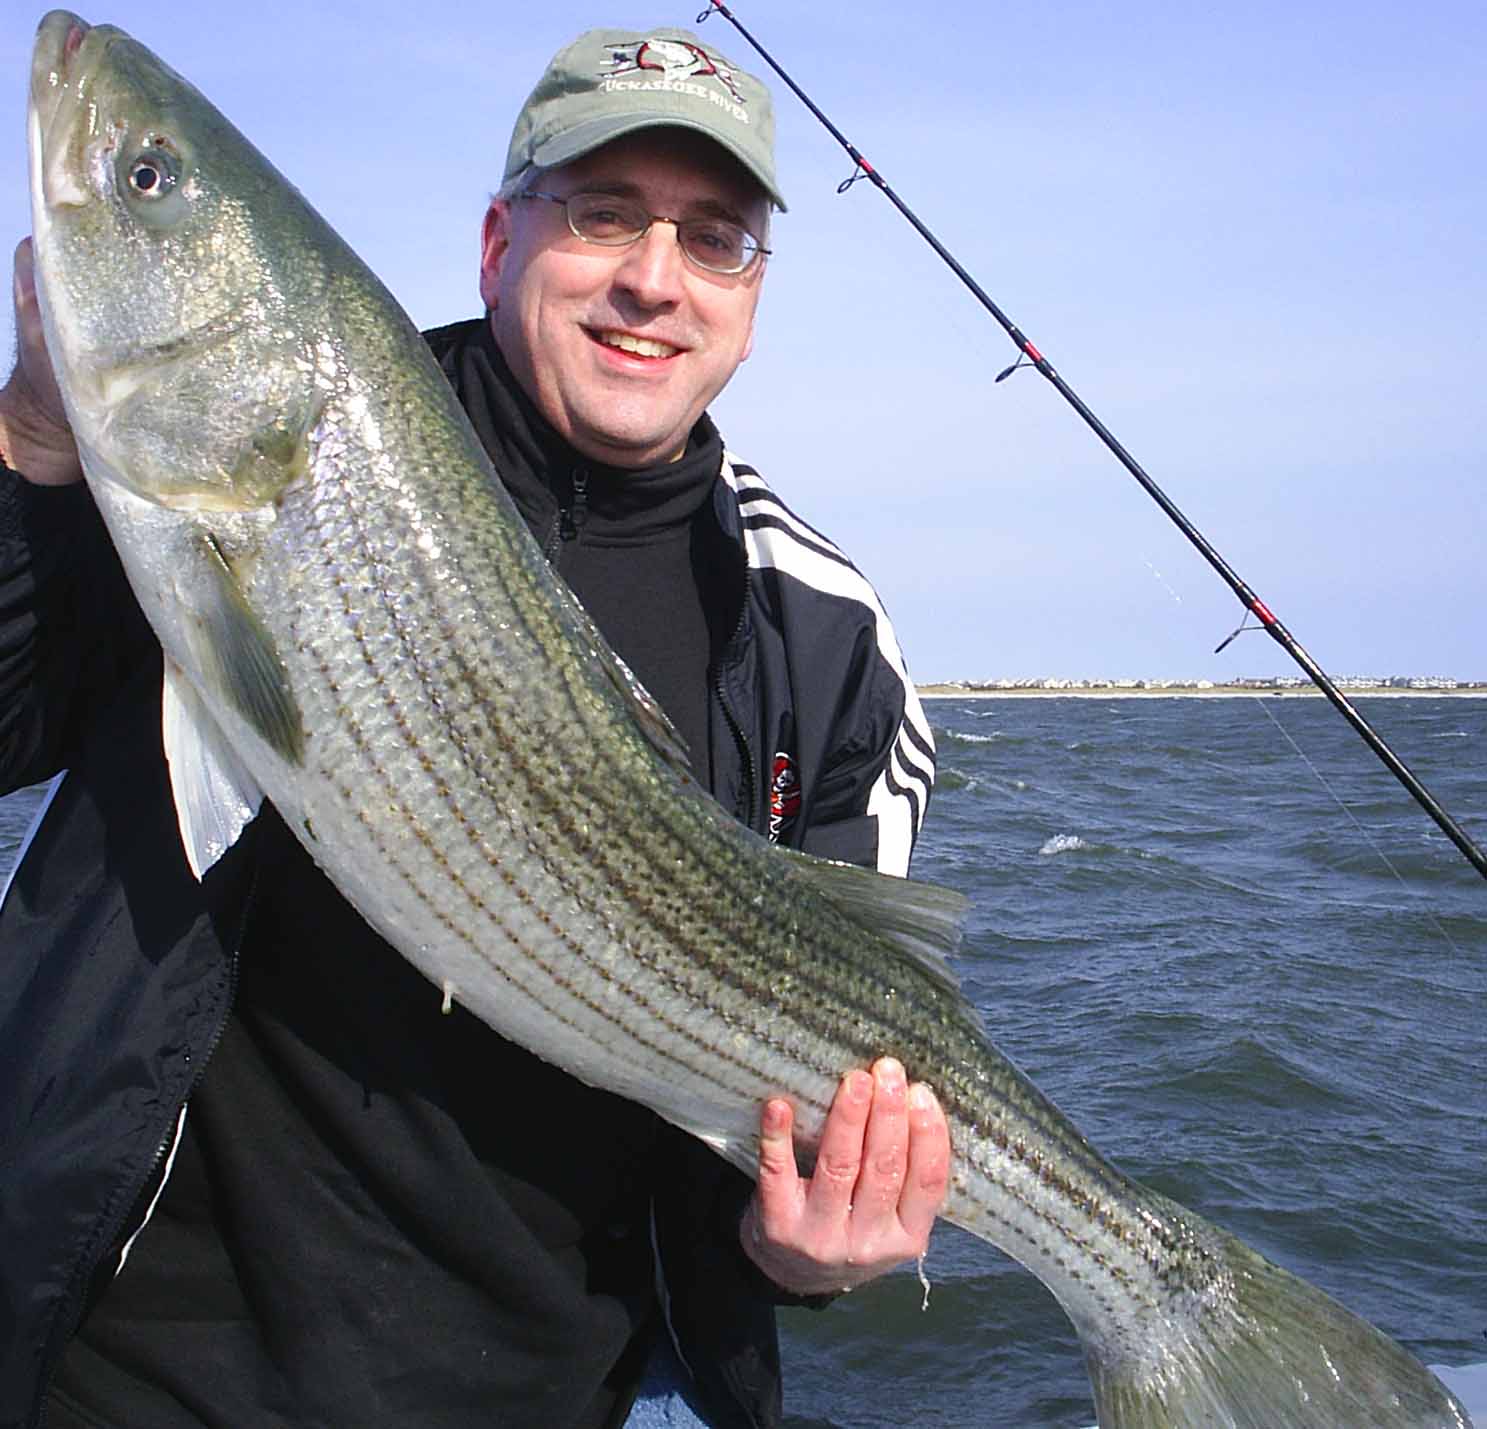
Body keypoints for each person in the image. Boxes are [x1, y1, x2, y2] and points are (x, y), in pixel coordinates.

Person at [0, 25, 947, 1429]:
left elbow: (827, 1087)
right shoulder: (220, 457)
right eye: (603, 213)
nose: (651, 278)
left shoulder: (826, 637)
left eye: (715, 239)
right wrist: (32, 434)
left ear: (754, 293)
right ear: (499, 239)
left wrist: (802, 1249)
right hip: (113, 1361)